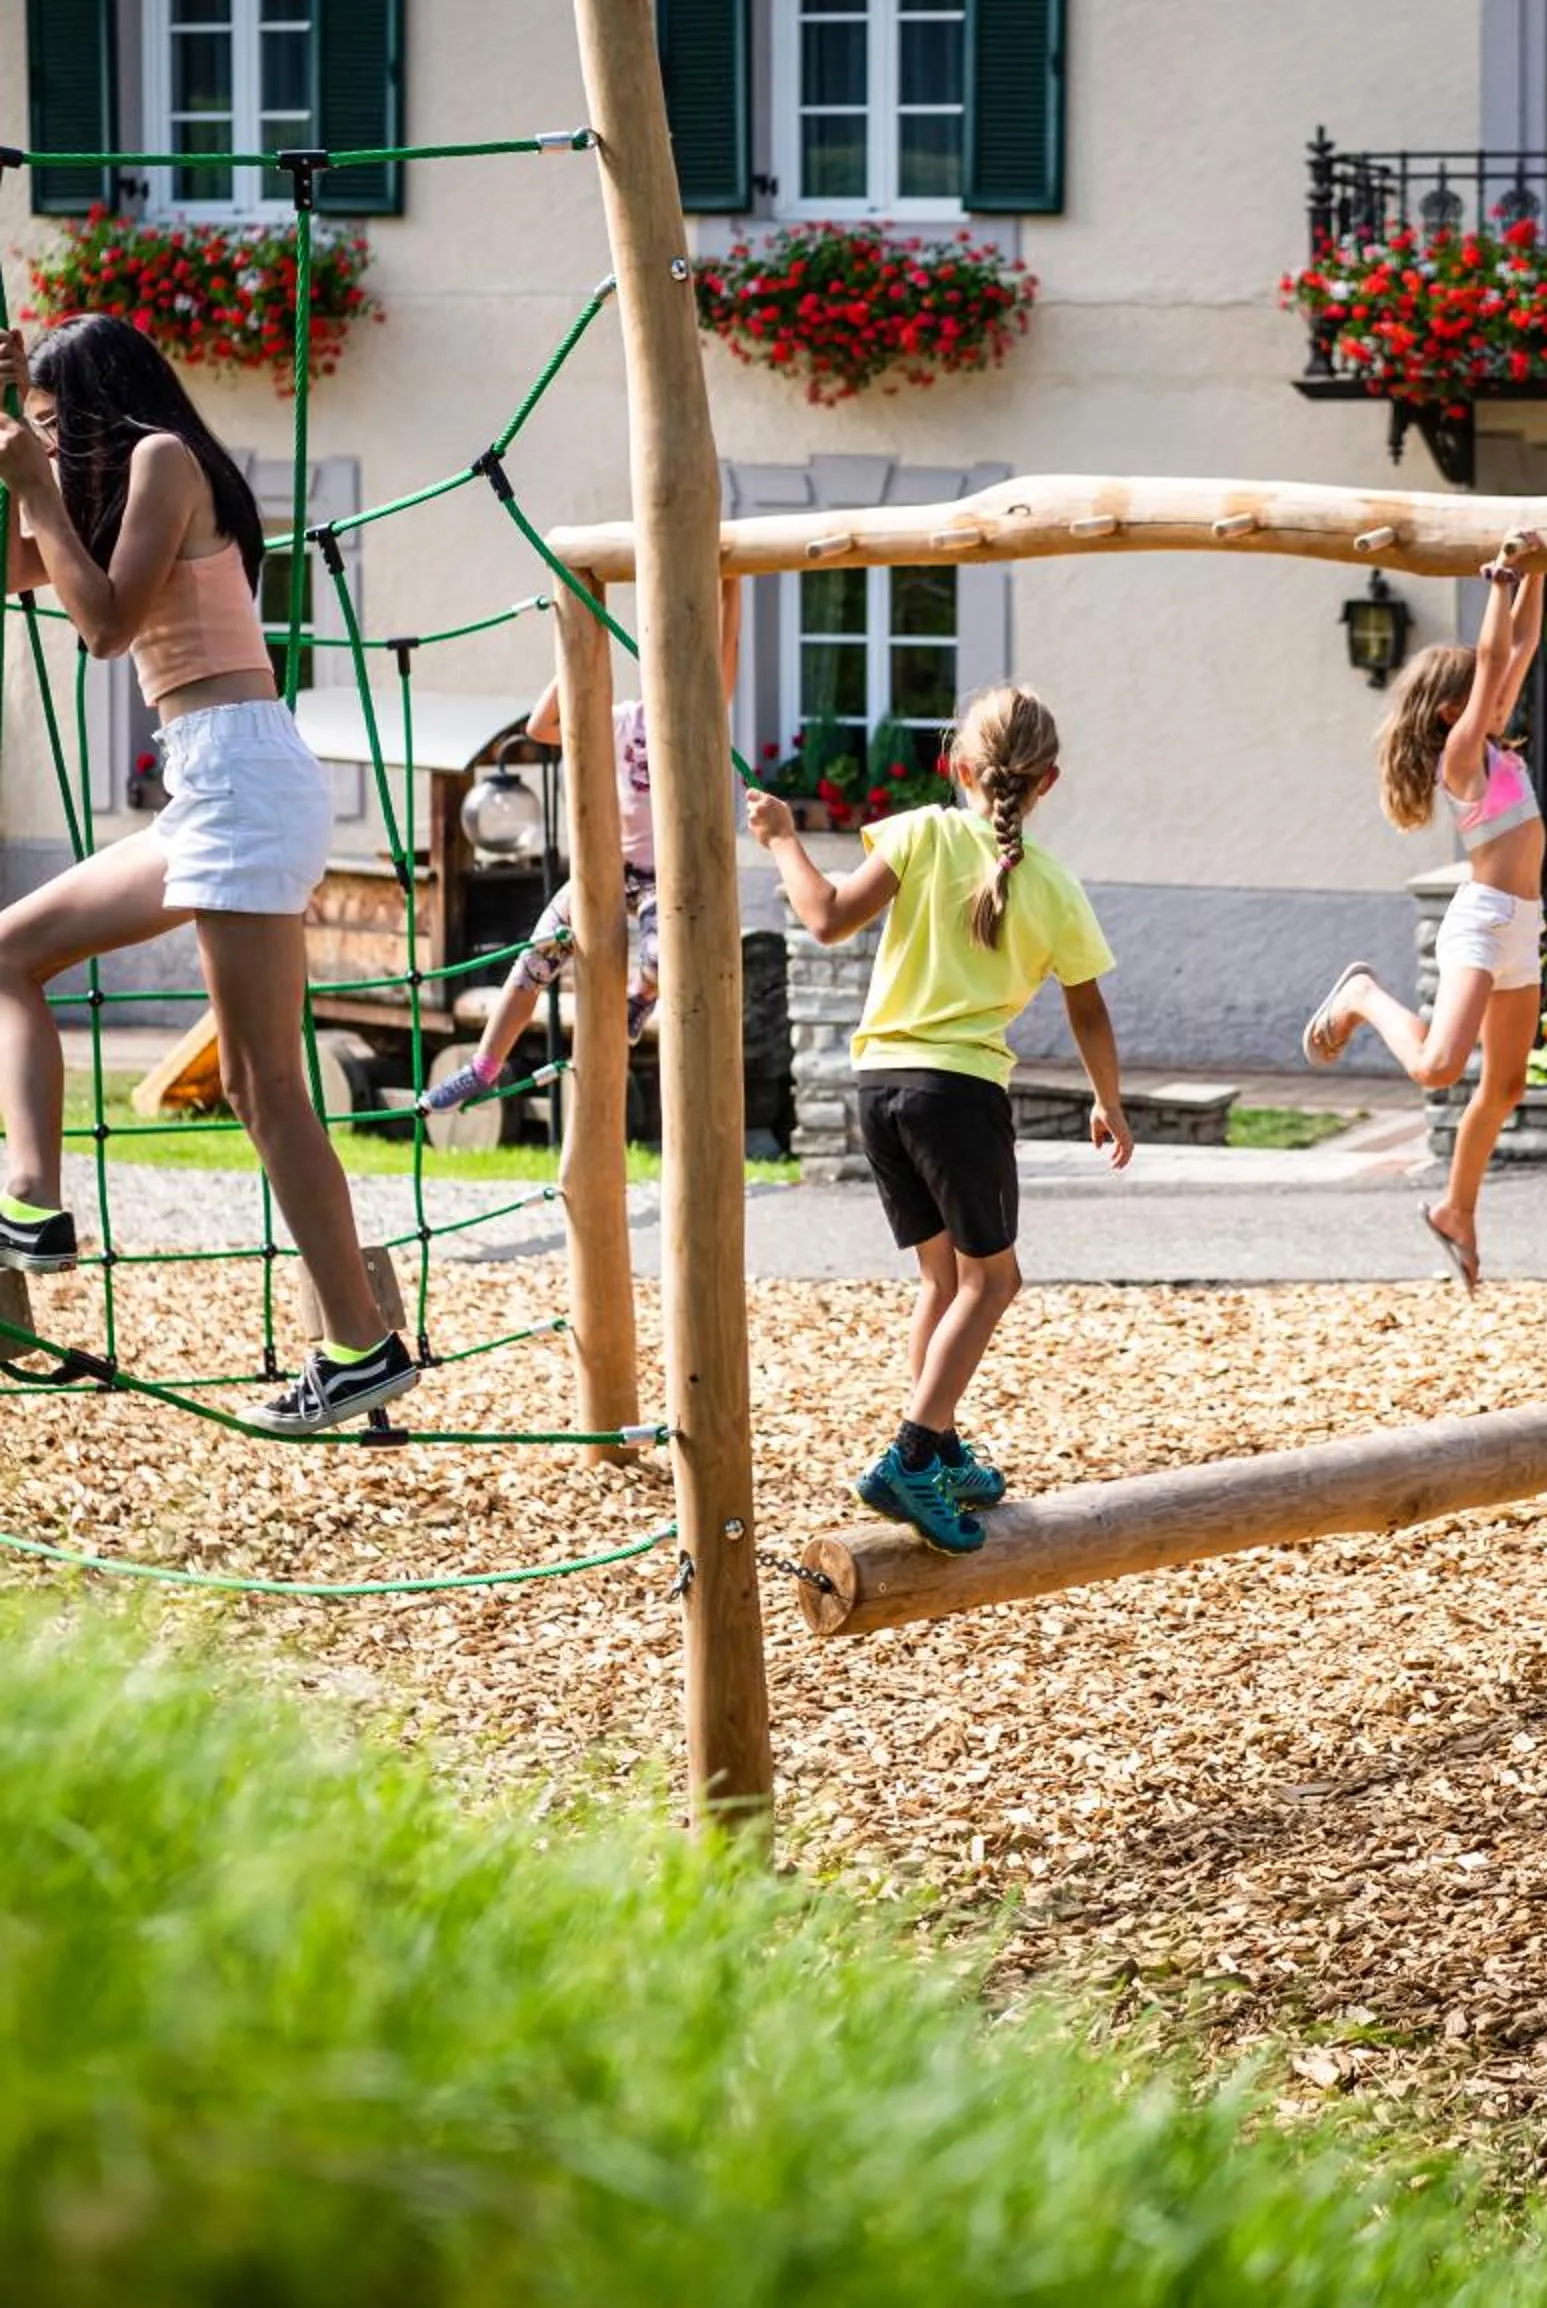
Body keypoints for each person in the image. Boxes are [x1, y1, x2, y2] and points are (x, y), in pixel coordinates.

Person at [0, 314, 410, 1434]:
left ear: (93, 406)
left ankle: (359, 1346)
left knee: (262, 1087)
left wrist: (35, 486)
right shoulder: (109, 488)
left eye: (49, 419)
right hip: (210, 783)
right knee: (8, 954)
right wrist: (11, 464)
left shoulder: (162, 462)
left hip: (241, 777)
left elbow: (103, 629)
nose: (43, 438)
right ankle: (32, 1207)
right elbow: (17, 566)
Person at [745, 682, 1132, 1555]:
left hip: (878, 1086)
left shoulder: (917, 830)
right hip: (959, 1095)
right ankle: (913, 1455)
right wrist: (1108, 1100)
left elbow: (825, 916)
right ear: (1050, 782)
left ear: (953, 763)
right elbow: (1089, 1011)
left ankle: (943, 1443)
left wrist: (783, 842)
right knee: (993, 1284)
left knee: (942, 1282)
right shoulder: (1055, 887)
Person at [1301, 532, 1547, 1293]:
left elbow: (1522, 646)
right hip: (1482, 920)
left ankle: (1455, 1209)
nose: (1500, 691)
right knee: (1439, 1066)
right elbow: (1497, 651)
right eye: (1482, 690)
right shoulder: (1462, 759)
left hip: (1521, 929)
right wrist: (1500, 587)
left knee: (1504, 1088)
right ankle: (1362, 995)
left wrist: (1538, 571)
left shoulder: (1497, 746)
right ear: (1454, 709)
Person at [422, 582, 741, 1117]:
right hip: (604, 872)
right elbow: (539, 726)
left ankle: (642, 995)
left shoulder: (697, 717)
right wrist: (578, 648)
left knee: (668, 956)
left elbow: (724, 654)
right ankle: (482, 1067)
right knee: (534, 959)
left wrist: (729, 587)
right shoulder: (618, 720)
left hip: (664, 878)